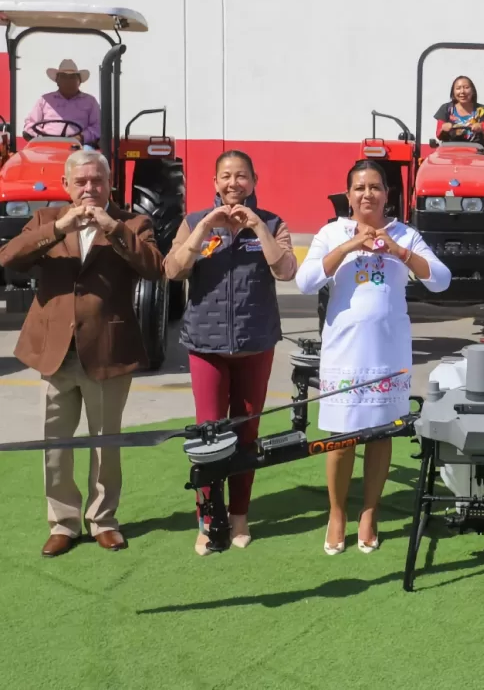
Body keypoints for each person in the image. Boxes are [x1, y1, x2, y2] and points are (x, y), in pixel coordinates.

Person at [0, 150, 162, 556]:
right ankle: (64, 522)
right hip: (54, 352)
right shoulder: (46, 219)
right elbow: (10, 258)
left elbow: (154, 268)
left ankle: (103, 519)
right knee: (55, 444)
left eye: (97, 181)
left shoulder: (133, 223)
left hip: (107, 350)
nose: (90, 188)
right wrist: (58, 228)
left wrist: (113, 228)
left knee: (106, 442)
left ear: (110, 184)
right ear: (67, 185)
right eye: (81, 181)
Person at [295, 159, 450, 554]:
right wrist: (349, 246)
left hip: (388, 351)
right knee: (342, 438)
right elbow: (305, 281)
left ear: (387, 194)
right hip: (344, 351)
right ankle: (337, 513)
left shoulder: (404, 234)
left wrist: (398, 250)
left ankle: (369, 512)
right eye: (360, 188)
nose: (368, 194)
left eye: (375, 187)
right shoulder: (331, 233)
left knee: (381, 435)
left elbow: (441, 280)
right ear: (348, 195)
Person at [163, 150, 298, 555]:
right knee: (208, 434)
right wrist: (205, 226)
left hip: (255, 343)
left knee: (246, 434)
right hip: (206, 346)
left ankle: (239, 515)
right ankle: (208, 520)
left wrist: (256, 226)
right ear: (215, 183)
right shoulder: (194, 222)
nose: (233, 183)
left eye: (241, 176)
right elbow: (173, 270)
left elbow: (285, 270)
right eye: (226, 176)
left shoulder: (272, 223)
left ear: (254, 181)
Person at [22, 59, 102, 146]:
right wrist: (41, 136)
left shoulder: (90, 101)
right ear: (57, 81)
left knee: (89, 153)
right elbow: (30, 123)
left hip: (79, 146)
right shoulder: (45, 100)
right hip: (46, 145)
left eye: (72, 77)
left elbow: (98, 127)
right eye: (64, 77)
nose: (68, 81)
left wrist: (81, 137)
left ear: (79, 81)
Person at [433, 75, 484, 143]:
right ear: (453, 92)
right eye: (458, 88)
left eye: (466, 87)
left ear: (472, 91)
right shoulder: (445, 108)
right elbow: (438, 135)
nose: (462, 91)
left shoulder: (482, 110)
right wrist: (443, 128)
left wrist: (481, 128)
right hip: (449, 148)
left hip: (476, 148)